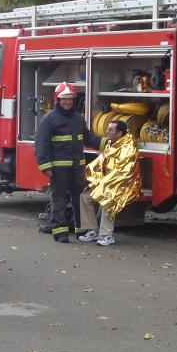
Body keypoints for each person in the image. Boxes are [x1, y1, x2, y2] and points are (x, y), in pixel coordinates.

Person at [35, 82, 105, 243]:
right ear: (57, 100)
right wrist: (45, 167)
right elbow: (41, 145)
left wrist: (107, 143)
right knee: (59, 199)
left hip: (77, 168)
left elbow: (88, 138)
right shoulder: (49, 119)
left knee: (78, 199)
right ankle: (60, 232)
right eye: (64, 99)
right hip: (59, 169)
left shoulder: (78, 119)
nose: (67, 102)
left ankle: (80, 230)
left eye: (70, 99)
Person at [77, 120, 141, 246]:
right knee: (85, 197)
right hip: (107, 183)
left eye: (110, 130)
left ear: (119, 133)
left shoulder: (129, 147)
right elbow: (101, 164)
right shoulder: (110, 143)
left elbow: (123, 172)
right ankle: (92, 230)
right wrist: (91, 181)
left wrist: (103, 186)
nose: (107, 132)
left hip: (123, 185)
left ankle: (107, 235)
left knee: (107, 199)